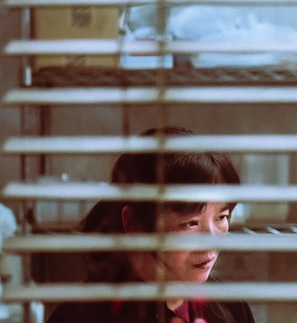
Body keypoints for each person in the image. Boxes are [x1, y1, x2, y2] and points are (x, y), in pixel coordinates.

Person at [46, 126, 255, 323]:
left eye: (221, 217)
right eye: (191, 223)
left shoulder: (230, 306)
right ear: (134, 223)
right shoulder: (85, 317)